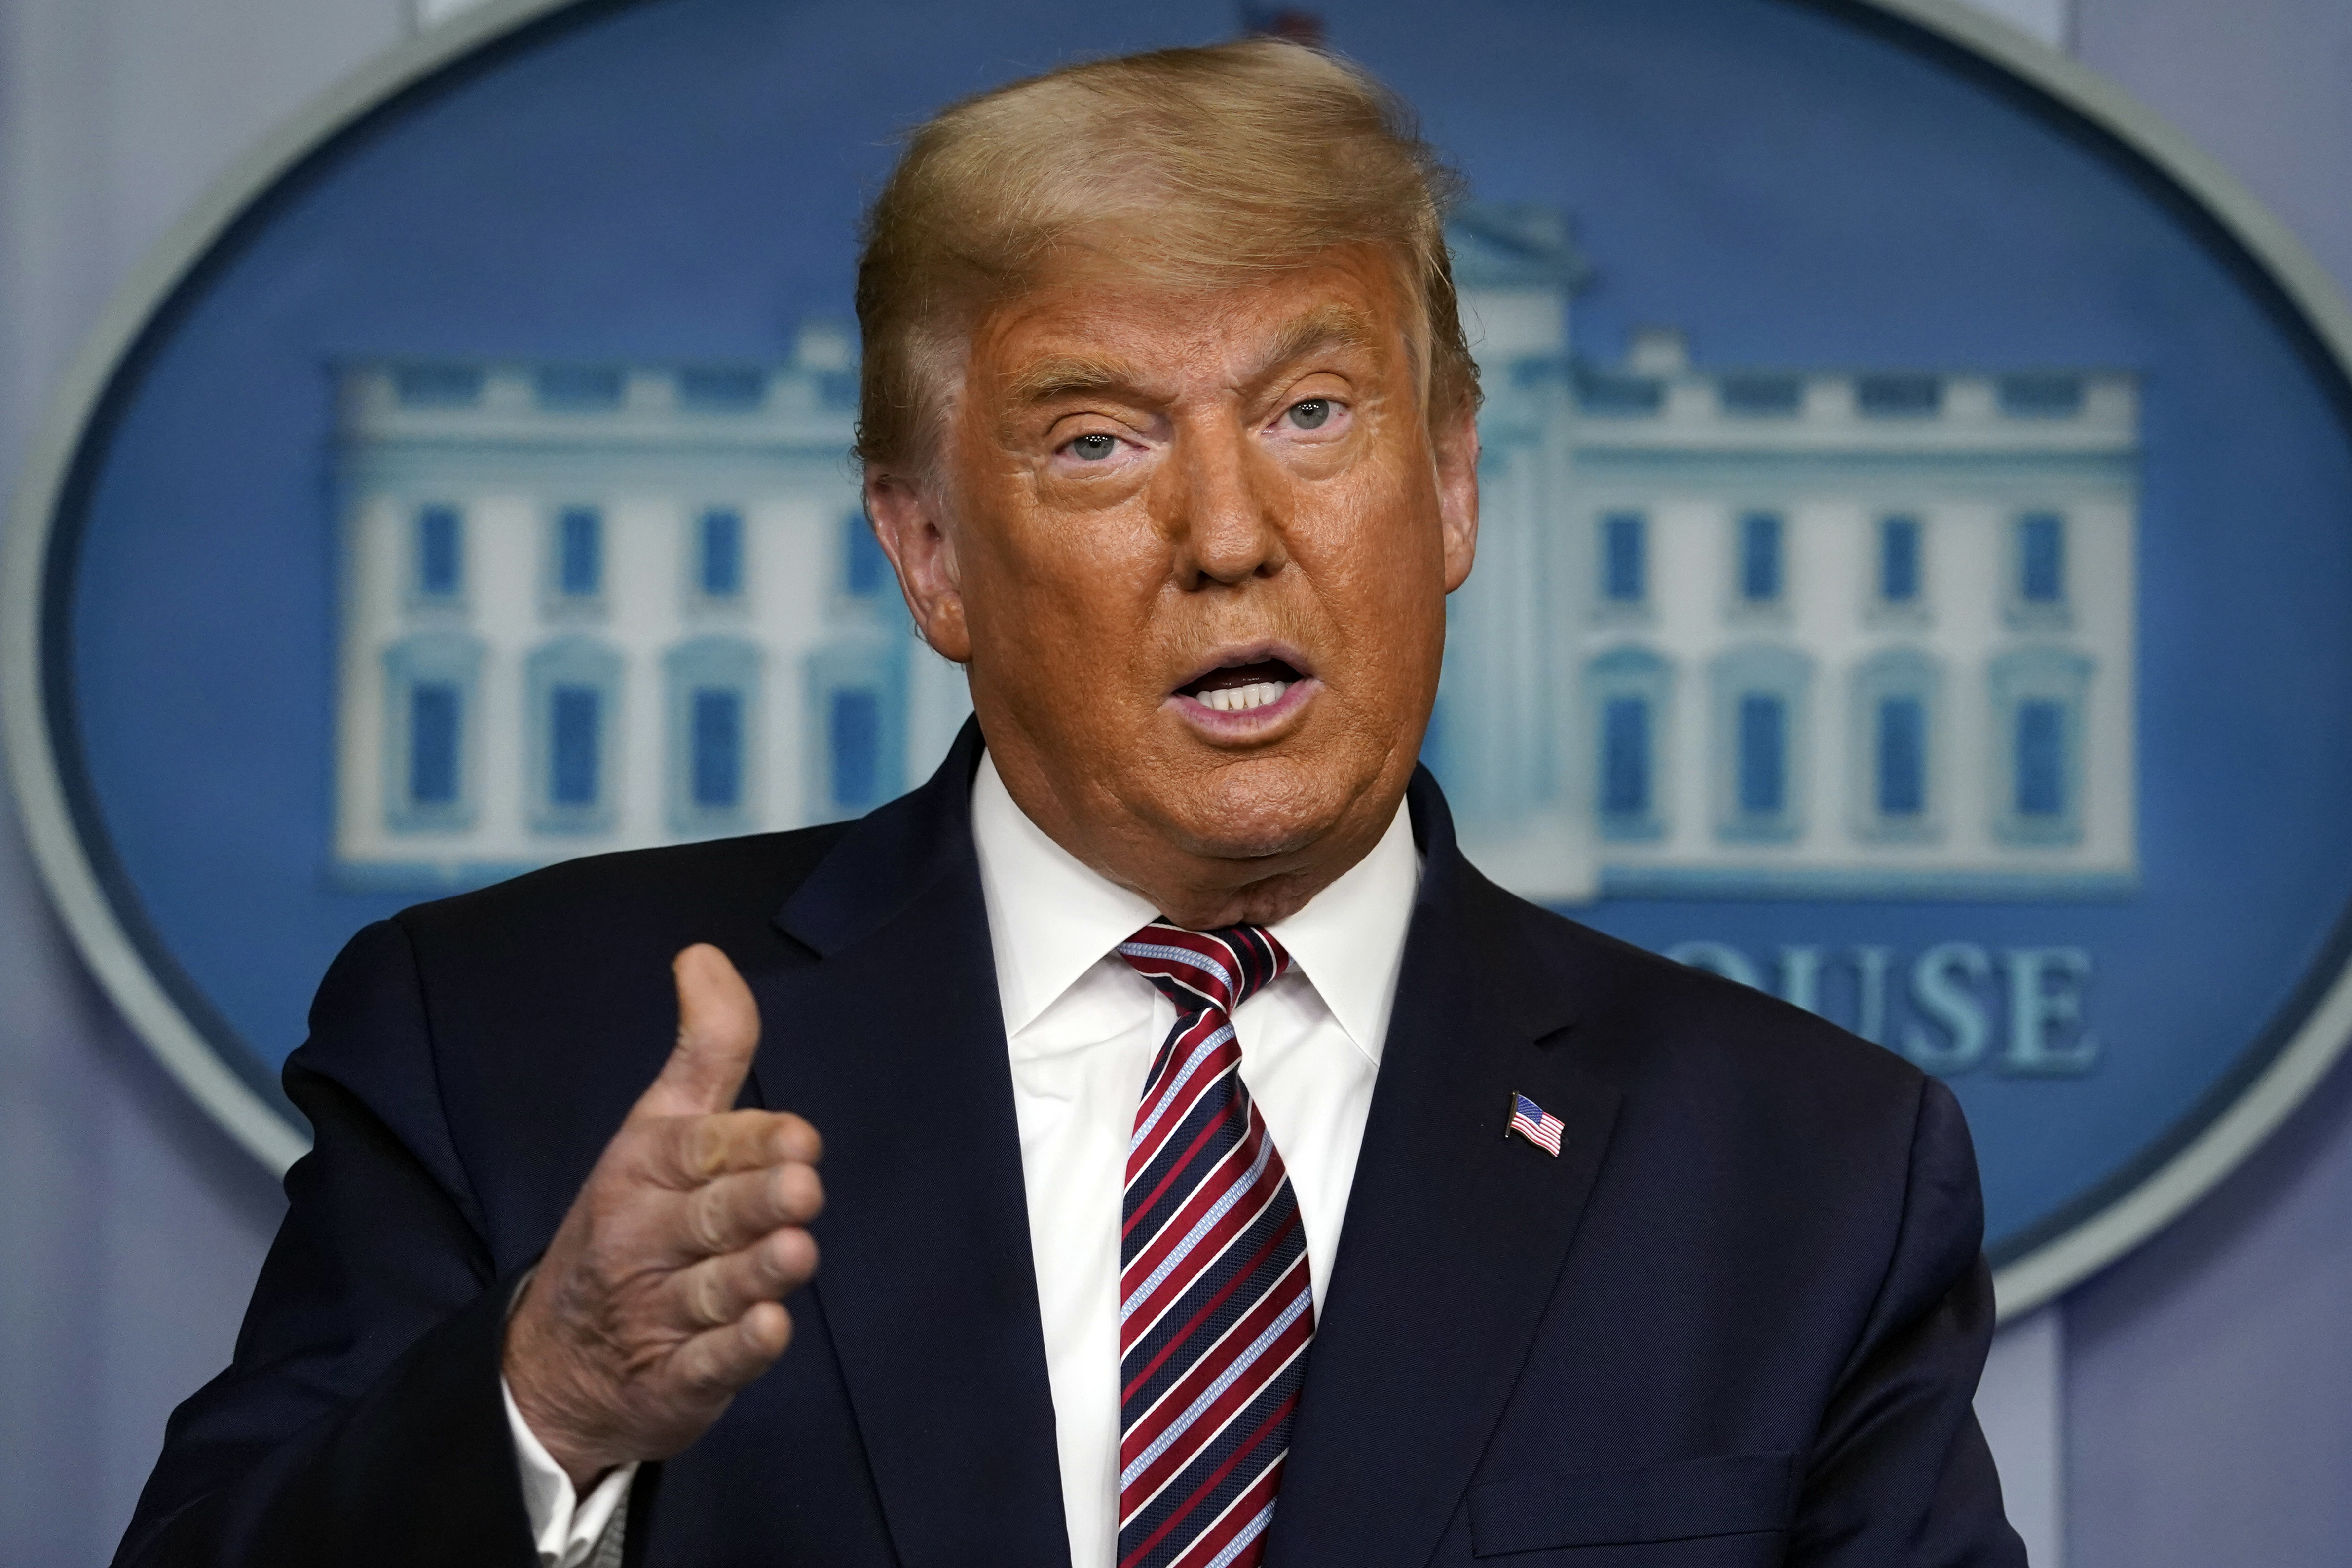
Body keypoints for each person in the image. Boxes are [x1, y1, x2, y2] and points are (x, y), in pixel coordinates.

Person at [116, 38, 2024, 1568]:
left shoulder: (1811, 1170)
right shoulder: (517, 1042)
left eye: (1312, 413)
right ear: (930, 552)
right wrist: (551, 1402)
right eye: (1101, 440)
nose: (1230, 537)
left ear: (1450, 488)